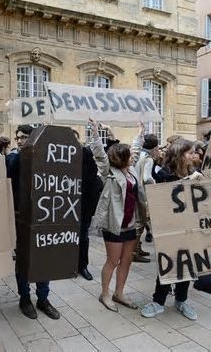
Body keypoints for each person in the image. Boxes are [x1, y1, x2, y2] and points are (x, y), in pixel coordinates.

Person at [141, 139, 201, 321]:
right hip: (170, 229)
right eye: (189, 152)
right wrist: (188, 181)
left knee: (188, 264)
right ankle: (158, 301)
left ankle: (181, 300)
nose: (194, 155)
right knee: (167, 263)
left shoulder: (196, 172)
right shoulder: (164, 174)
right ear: (178, 154)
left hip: (190, 228)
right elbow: (161, 195)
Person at [89, 119, 145, 312]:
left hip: (131, 224)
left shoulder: (131, 171)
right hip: (114, 224)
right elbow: (99, 155)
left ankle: (119, 293)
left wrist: (140, 132)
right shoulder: (109, 173)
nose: (133, 156)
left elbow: (136, 151)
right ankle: (105, 294)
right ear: (121, 158)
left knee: (127, 260)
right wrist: (95, 132)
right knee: (112, 261)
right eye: (129, 155)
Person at [7, 124, 61, 320]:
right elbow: (6, 173)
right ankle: (24, 298)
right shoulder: (14, 158)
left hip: (43, 217)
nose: (20, 140)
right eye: (18, 137)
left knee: (43, 259)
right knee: (23, 260)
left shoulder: (46, 158)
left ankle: (43, 298)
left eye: (24, 137)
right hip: (21, 217)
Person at [75, 128, 103, 281]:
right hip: (64, 205)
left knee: (83, 237)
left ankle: (82, 265)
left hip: (83, 205)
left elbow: (92, 180)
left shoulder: (86, 154)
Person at [133, 134, 160, 263]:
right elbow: (146, 178)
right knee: (140, 223)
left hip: (134, 191)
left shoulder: (138, 155)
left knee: (138, 221)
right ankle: (134, 252)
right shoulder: (148, 158)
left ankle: (137, 248)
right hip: (142, 193)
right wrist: (154, 184)